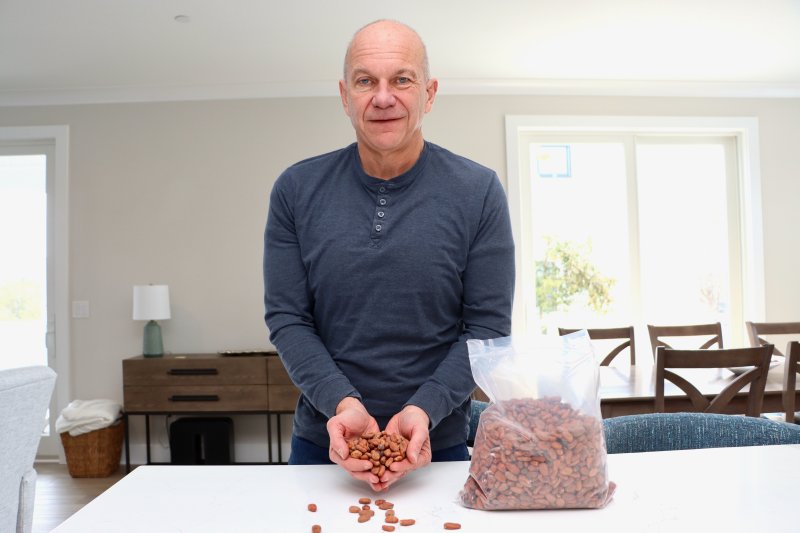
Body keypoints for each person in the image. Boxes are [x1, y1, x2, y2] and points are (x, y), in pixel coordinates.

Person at [263, 19, 514, 491]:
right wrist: (343, 404)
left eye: (402, 79)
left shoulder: (478, 191)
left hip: (437, 450)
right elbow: (287, 318)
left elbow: (488, 330)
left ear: (429, 93)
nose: (383, 97)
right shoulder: (295, 190)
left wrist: (425, 409)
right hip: (323, 449)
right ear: (344, 96)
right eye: (365, 81)